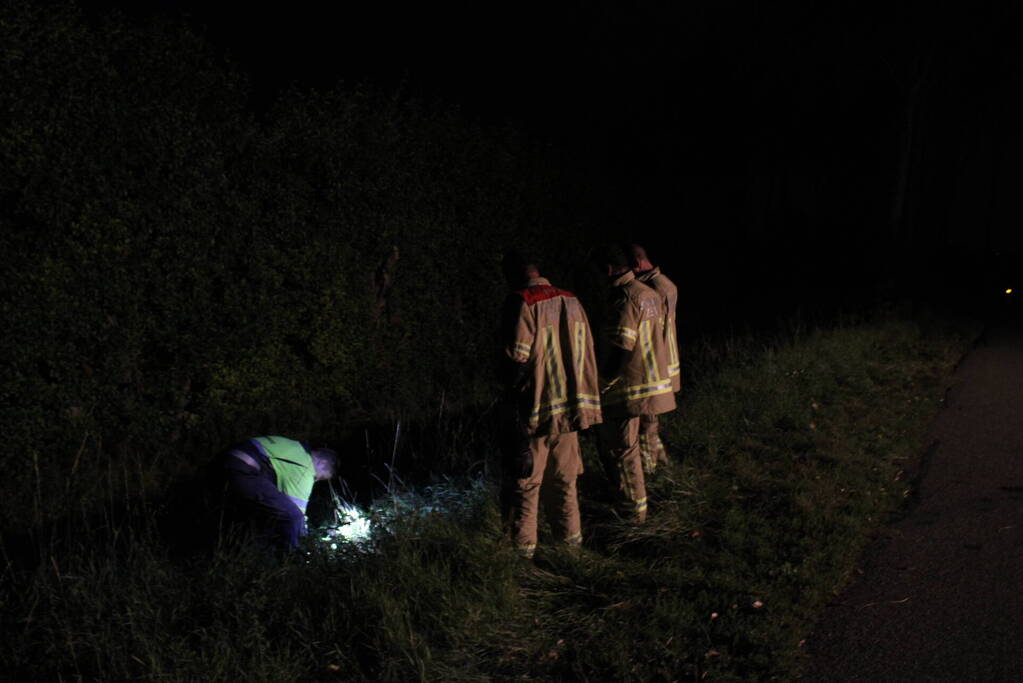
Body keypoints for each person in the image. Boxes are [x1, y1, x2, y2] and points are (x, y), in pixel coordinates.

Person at [498, 252, 602, 560]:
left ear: (514, 275)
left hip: (537, 411)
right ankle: (570, 554)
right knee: (565, 485)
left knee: (526, 488)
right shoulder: (572, 300)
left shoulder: (522, 301)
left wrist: (507, 400)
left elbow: (517, 359)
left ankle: (522, 561)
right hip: (571, 409)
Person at [594, 244, 676, 523]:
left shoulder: (624, 298)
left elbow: (622, 347)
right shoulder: (650, 294)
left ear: (606, 270)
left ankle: (633, 514)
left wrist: (603, 381)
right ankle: (656, 483)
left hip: (630, 387)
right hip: (654, 381)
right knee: (646, 439)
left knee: (623, 451)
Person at [209, 435, 338, 551]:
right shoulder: (305, 468)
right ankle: (291, 561)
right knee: (293, 516)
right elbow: (296, 515)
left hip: (225, 461)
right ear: (323, 463)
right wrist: (306, 539)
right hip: (244, 471)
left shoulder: (295, 447)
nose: (315, 479)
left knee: (271, 510)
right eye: (320, 477)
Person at [627, 243, 681, 475]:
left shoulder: (650, 289)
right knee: (652, 422)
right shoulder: (666, 284)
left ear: (637, 264)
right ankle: (664, 464)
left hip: (654, 365)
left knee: (646, 423)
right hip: (667, 363)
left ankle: (649, 472)